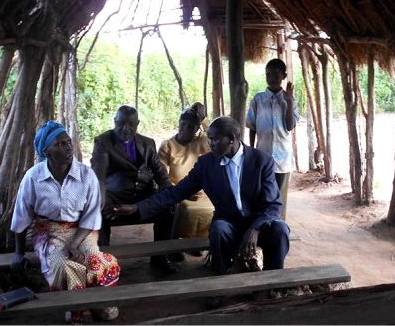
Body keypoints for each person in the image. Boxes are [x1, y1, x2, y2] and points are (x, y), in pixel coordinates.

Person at [104, 116, 290, 310]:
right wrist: (137, 207)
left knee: (280, 229)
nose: (210, 144)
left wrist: (254, 229)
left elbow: (273, 204)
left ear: (232, 139)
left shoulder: (261, 161)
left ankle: (271, 283)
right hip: (229, 223)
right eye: (209, 139)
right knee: (219, 229)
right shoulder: (207, 164)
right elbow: (175, 193)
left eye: (215, 139)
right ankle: (220, 285)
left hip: (258, 223)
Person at [10, 121, 120, 324]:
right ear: (47, 152)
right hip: (48, 232)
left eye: (68, 142)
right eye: (59, 144)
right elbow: (21, 216)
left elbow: (91, 215)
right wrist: (18, 253)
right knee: (61, 264)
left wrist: (74, 243)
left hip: (82, 231)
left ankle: (98, 300)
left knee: (94, 262)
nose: (68, 147)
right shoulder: (33, 178)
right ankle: (78, 308)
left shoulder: (86, 176)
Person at [90, 104, 178, 274]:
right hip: (114, 197)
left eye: (131, 124)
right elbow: (98, 173)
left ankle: (160, 255)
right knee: (97, 207)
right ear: (115, 121)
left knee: (171, 205)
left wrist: (169, 192)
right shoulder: (103, 142)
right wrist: (100, 195)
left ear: (137, 123)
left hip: (142, 197)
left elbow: (160, 172)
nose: (126, 129)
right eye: (121, 123)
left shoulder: (147, 143)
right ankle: (105, 261)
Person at [246, 58, 300, 221]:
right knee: (262, 196)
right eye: (268, 75)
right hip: (263, 156)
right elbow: (252, 127)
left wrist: (289, 102)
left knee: (280, 199)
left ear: (283, 76)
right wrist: (252, 151)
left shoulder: (289, 100)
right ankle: (260, 230)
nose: (271, 78)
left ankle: (278, 230)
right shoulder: (258, 99)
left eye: (276, 75)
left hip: (283, 158)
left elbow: (290, 126)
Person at [158, 102, 213, 257]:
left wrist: (203, 119)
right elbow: (161, 175)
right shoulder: (167, 145)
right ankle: (175, 244)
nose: (185, 129)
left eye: (190, 126)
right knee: (182, 209)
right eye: (182, 125)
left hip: (199, 191)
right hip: (177, 189)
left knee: (211, 208)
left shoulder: (200, 141)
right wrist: (181, 191)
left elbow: (214, 137)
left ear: (197, 129)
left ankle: (197, 243)